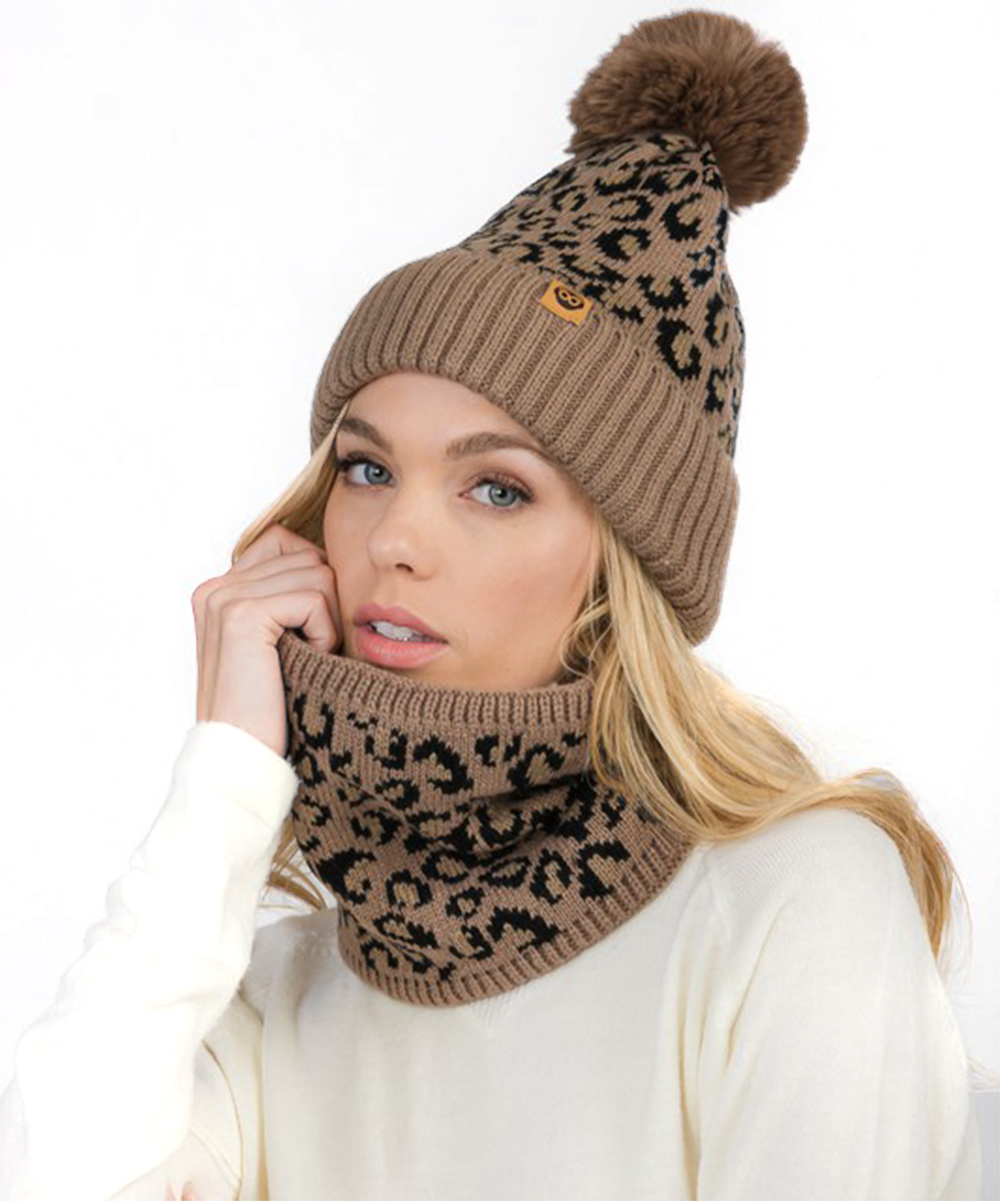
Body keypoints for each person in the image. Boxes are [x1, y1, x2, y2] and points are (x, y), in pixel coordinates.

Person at [0, 10, 986, 1200]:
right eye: (367, 468)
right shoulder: (272, 987)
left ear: (621, 568)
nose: (393, 540)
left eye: (497, 488)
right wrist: (223, 782)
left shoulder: (795, 899)